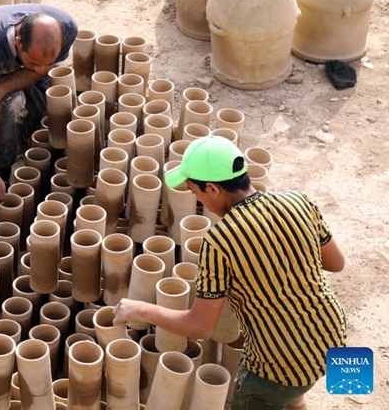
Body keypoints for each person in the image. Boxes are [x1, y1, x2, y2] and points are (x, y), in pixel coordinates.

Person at [113, 135, 347, 410]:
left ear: (212, 189)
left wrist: (141, 310)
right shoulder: (298, 201)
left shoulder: (220, 241)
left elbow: (199, 327)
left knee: (275, 389)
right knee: (298, 384)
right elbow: (336, 264)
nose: (197, 199)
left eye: (195, 192)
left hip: (277, 365)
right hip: (333, 338)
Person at [0, 4, 78, 215]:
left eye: (48, 62)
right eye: (34, 62)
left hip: (22, 62)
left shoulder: (67, 28)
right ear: (18, 42)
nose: (40, 69)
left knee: (46, 123)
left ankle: (22, 140)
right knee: (11, 104)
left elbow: (40, 70)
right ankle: (0, 170)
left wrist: (0, 89)